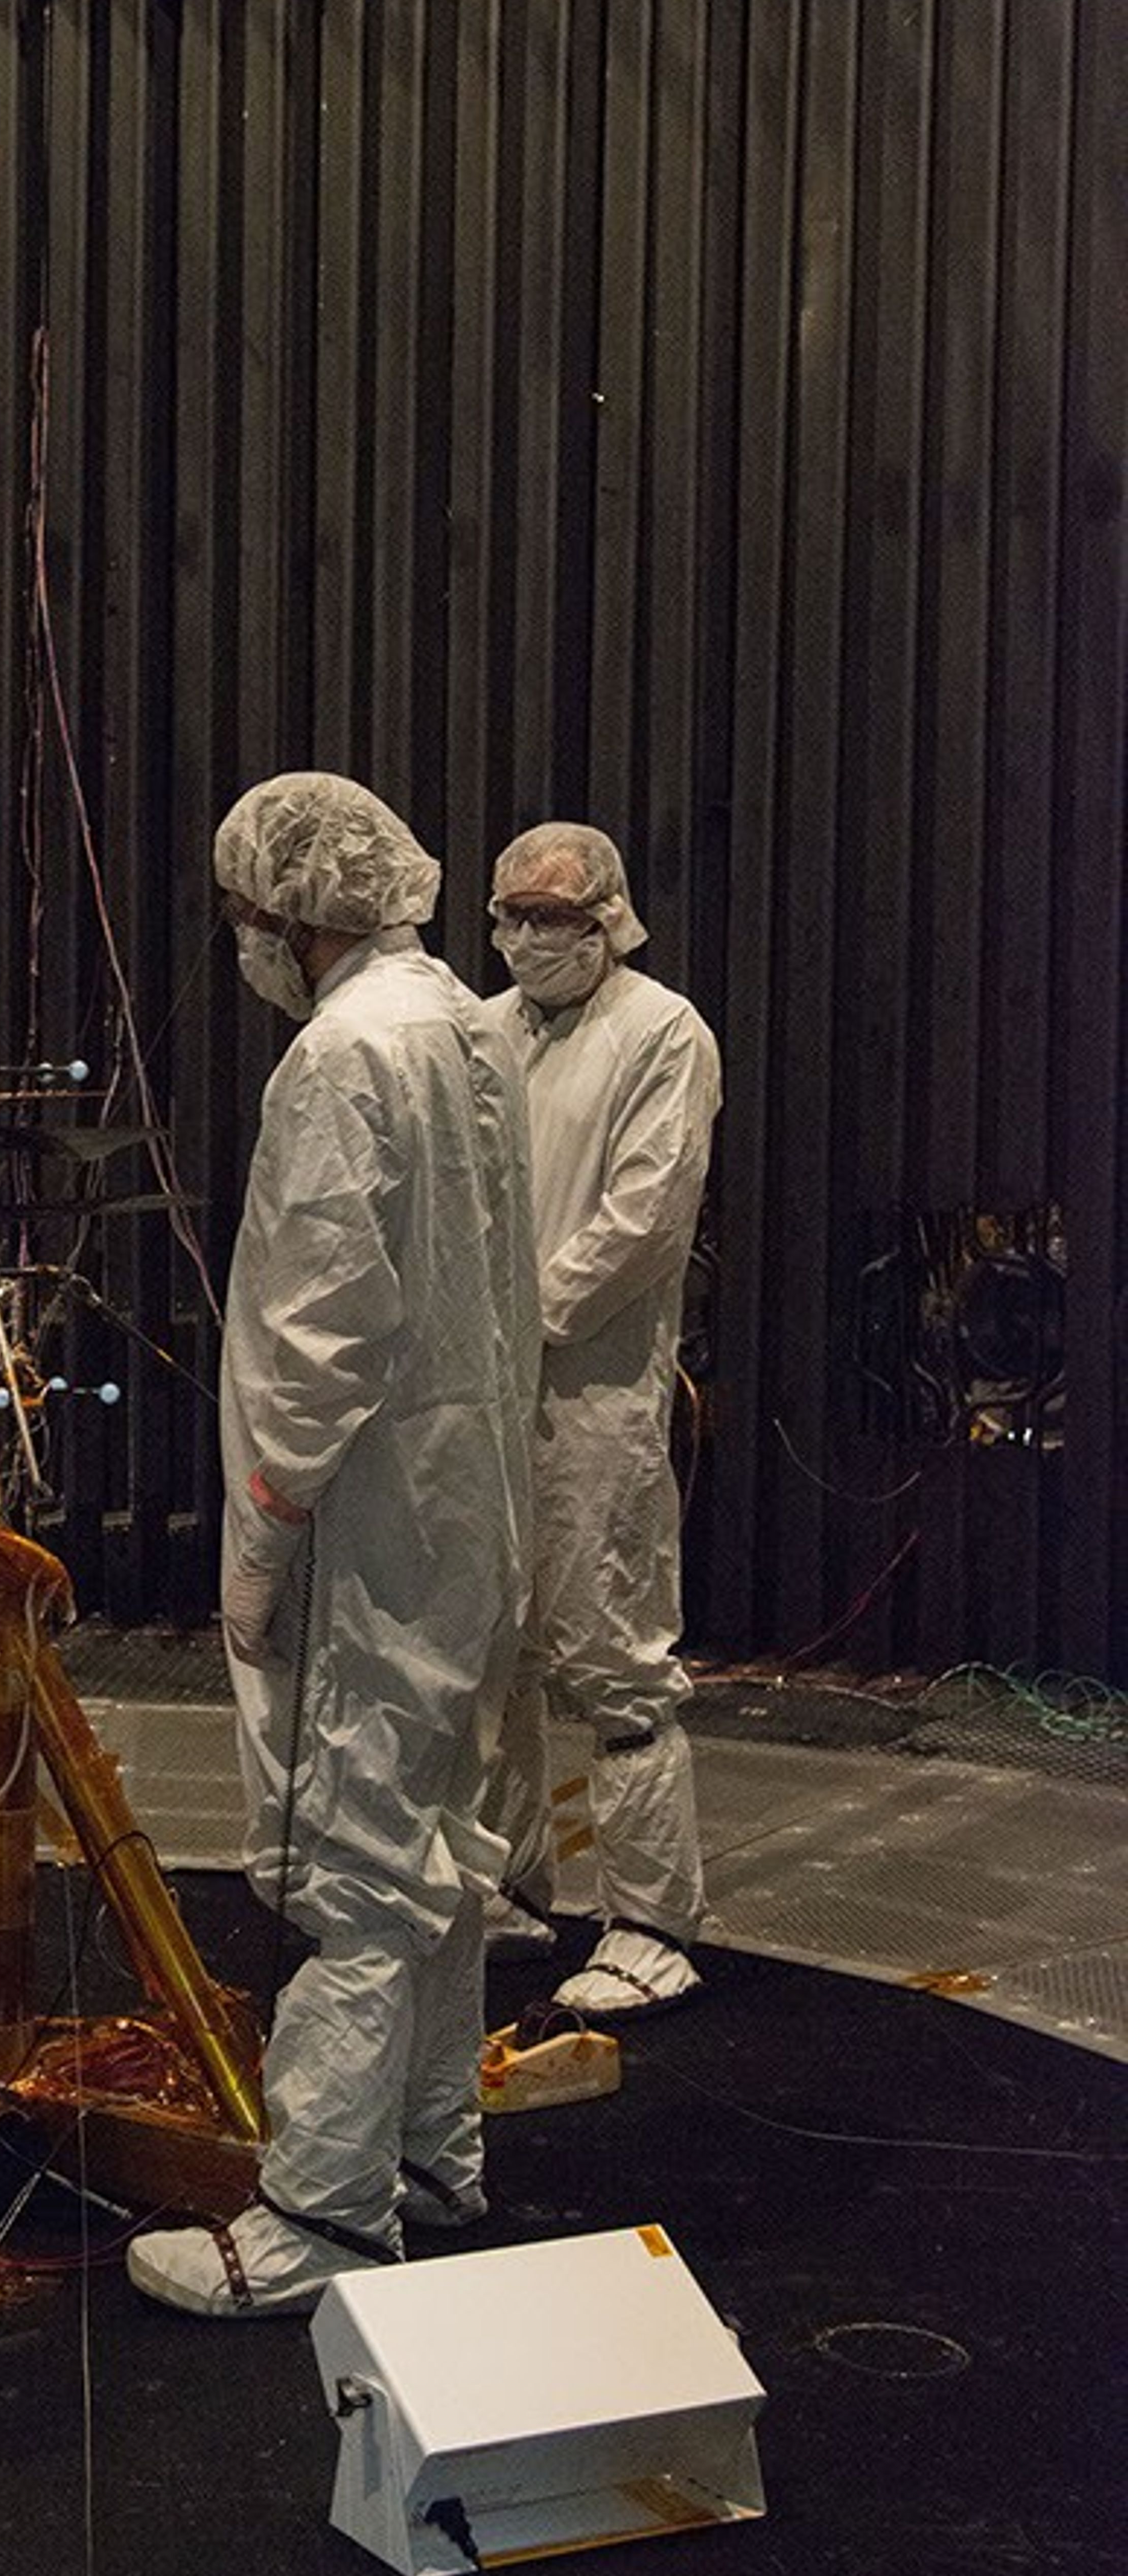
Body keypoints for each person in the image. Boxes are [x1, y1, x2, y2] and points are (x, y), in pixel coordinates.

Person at [129, 775, 536, 2319]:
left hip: (367, 1516)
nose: (242, 946)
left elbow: (319, 1324)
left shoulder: (343, 1057)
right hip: (467, 1504)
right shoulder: (471, 1029)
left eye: (245, 921)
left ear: (292, 916)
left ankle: (318, 2217)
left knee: (351, 1865)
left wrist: (267, 1522)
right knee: (433, 1851)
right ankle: (432, 2157)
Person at [477, 820, 721, 2012]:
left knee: (613, 1656)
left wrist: (521, 1317)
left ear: (608, 918)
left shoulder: (660, 1032)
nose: (529, 938)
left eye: (552, 918)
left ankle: (649, 1921)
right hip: (475, 1398)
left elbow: (644, 1217)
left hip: (591, 1397)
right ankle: (512, 1886)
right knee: (491, 1653)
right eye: (510, 915)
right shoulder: (478, 1035)